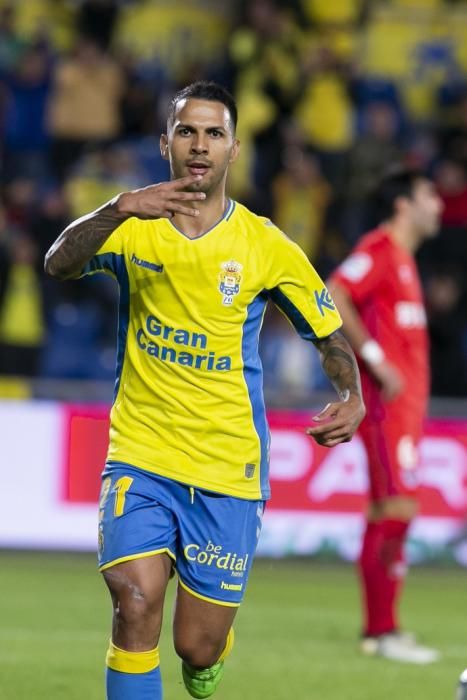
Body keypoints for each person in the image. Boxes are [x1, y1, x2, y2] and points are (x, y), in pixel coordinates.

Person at [45, 80, 365, 700]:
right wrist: (115, 209)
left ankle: (210, 646)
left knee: (197, 646)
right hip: (141, 452)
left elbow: (329, 337)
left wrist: (351, 396)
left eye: (213, 133)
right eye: (187, 132)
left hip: (227, 465)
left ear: (234, 149)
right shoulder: (133, 224)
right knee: (134, 604)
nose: (200, 146)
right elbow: (58, 263)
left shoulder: (265, 246)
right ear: (165, 143)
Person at [327, 166, 443, 664]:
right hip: (386, 411)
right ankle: (381, 631)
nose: (438, 204)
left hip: (405, 411)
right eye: (429, 195)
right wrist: (374, 359)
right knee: (394, 513)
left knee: (393, 513)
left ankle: (383, 629)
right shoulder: (378, 250)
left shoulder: (404, 261)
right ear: (404, 204)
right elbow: (335, 291)